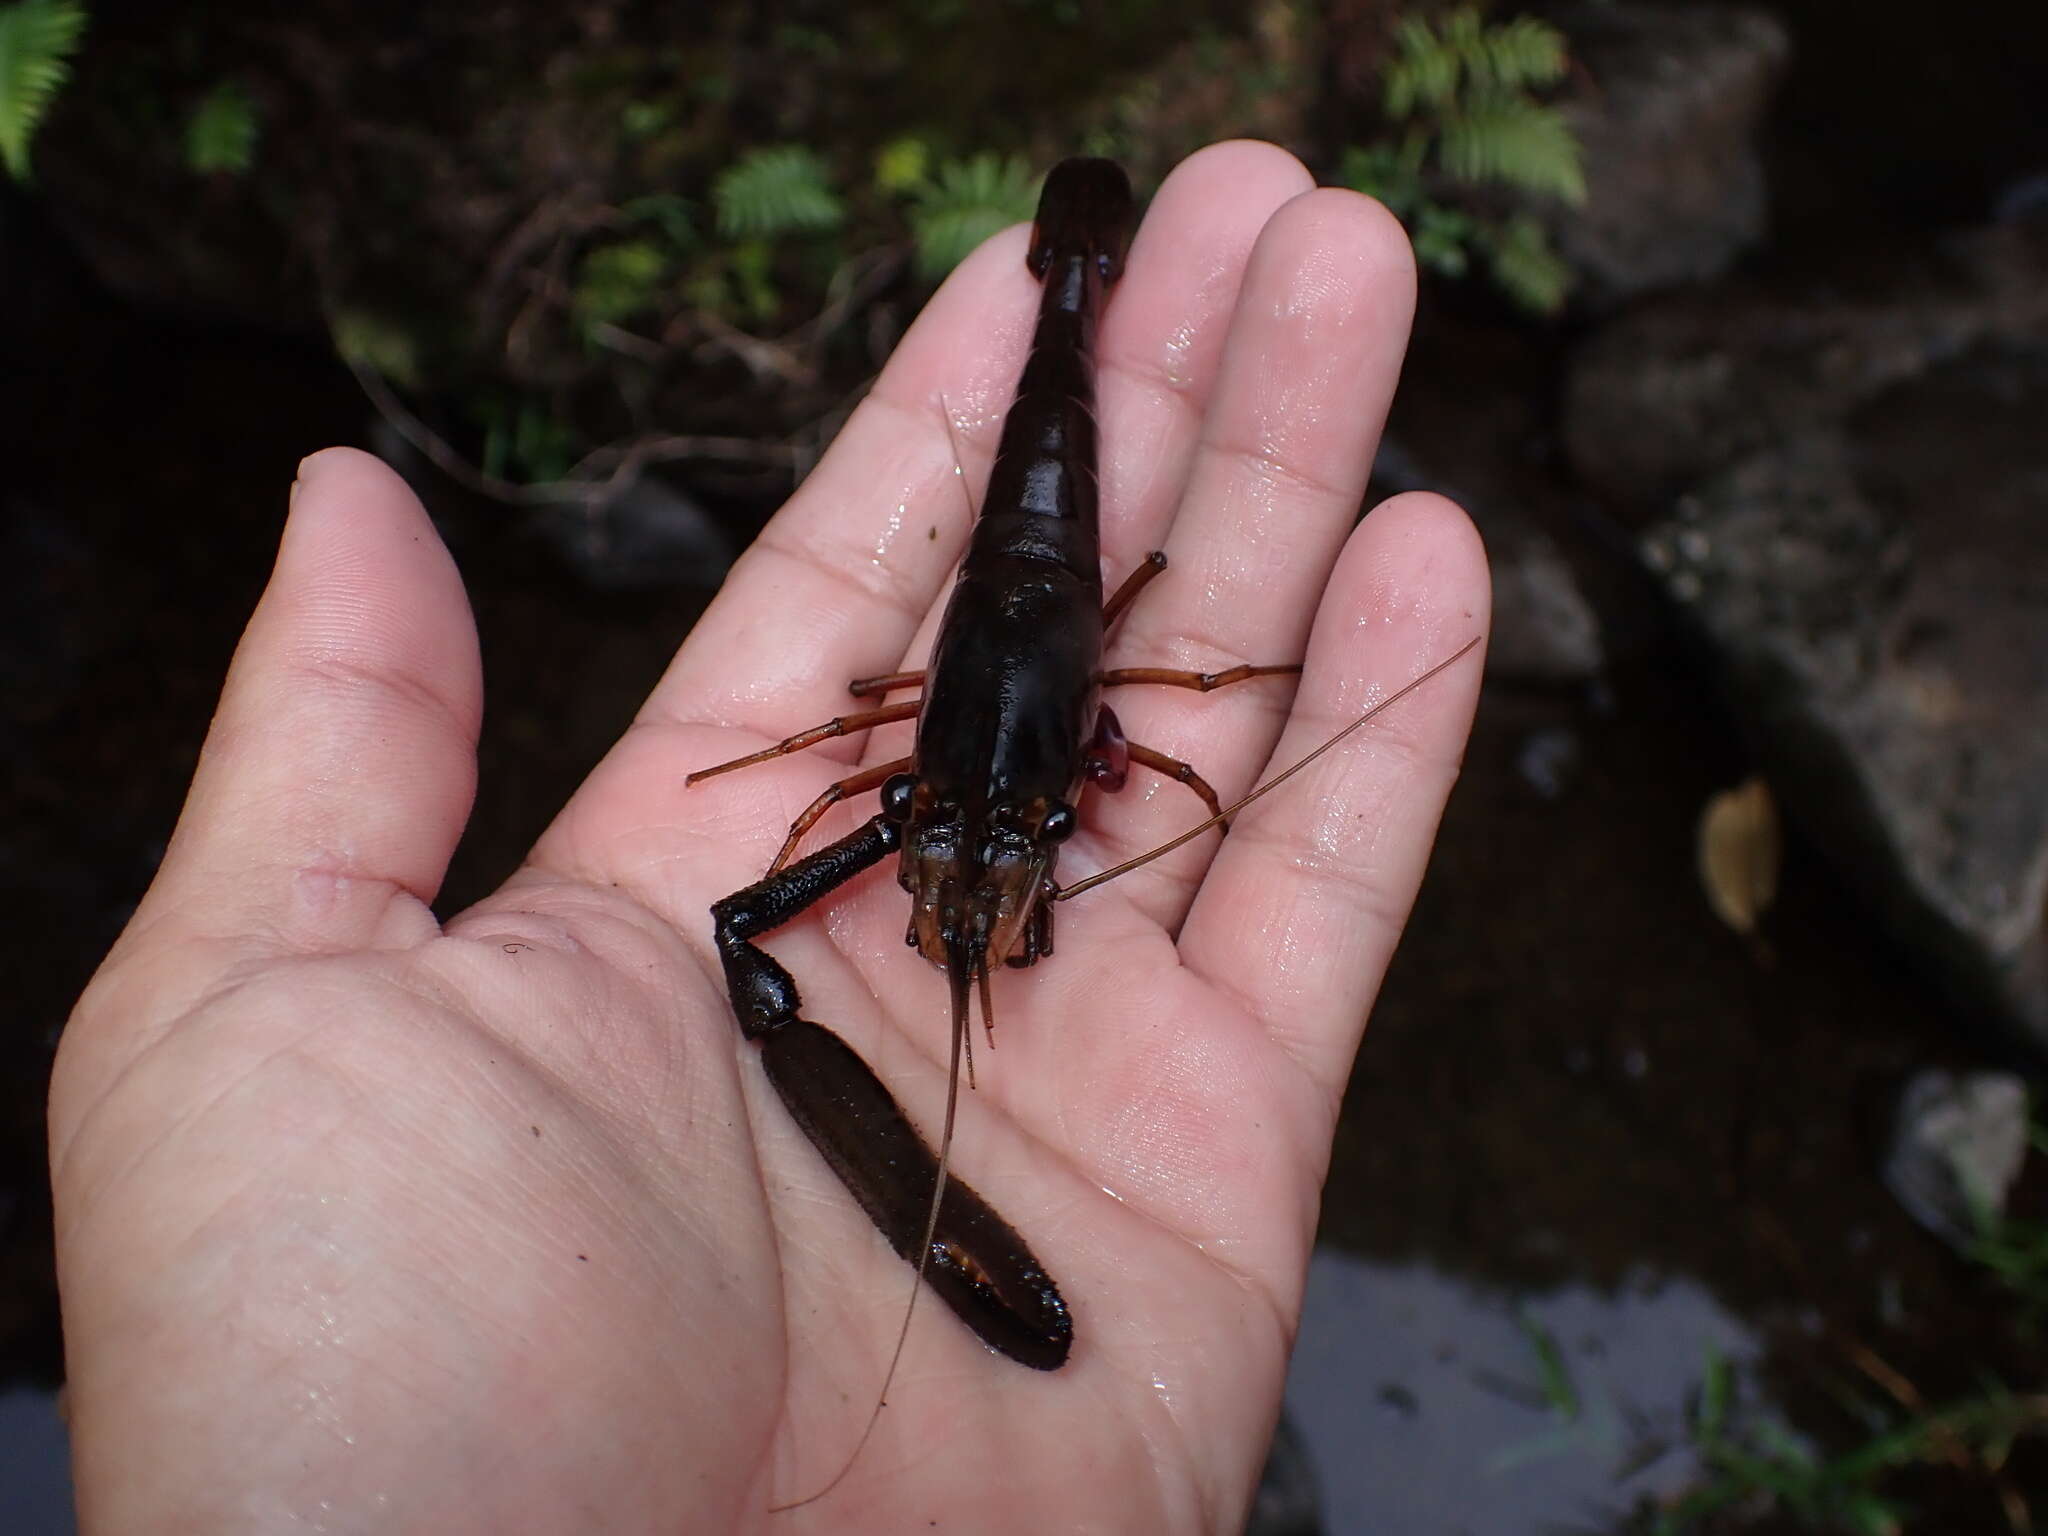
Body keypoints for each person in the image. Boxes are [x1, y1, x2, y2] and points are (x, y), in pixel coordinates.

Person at [50, 141, 1487, 1533]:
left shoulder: (1066, 724)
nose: (984, 855)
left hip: (1040, 574)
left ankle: (1076, 275)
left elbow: (1119, 744)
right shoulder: (950, 776)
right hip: (1010, 594)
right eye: (954, 827)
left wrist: (989, 808)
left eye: (1022, 831)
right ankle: (1073, 279)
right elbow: (849, 855)